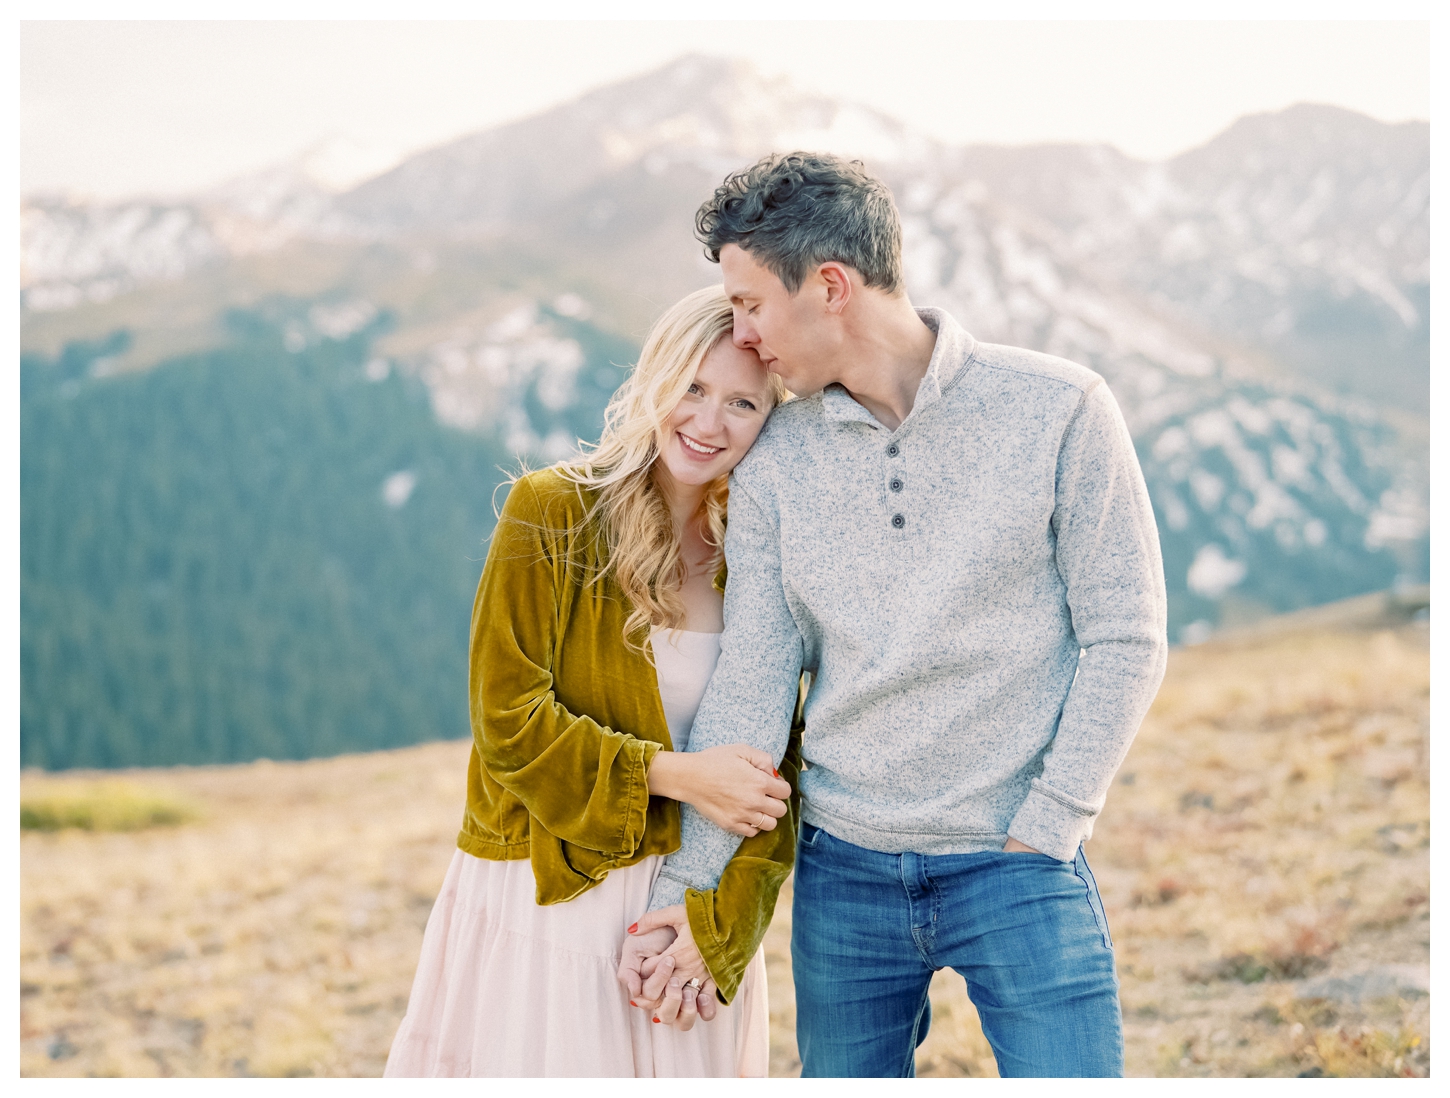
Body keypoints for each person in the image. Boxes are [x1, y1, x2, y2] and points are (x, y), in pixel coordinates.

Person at [619, 153, 1169, 1078]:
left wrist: (1051, 821)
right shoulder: (775, 460)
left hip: (1019, 861)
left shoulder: (1060, 408)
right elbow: (755, 678)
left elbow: (1127, 634)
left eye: (751, 303)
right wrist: (689, 886)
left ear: (829, 286)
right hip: (846, 876)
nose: (745, 335)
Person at [384, 285, 802, 1078]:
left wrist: (719, 931)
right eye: (693, 388)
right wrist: (679, 775)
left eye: (743, 404)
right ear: (654, 382)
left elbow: (776, 774)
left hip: (685, 907)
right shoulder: (552, 511)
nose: (708, 422)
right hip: (551, 893)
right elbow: (507, 719)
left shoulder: (757, 556)